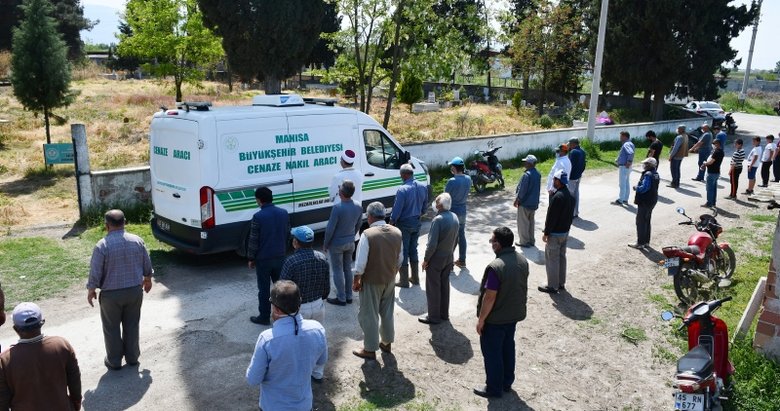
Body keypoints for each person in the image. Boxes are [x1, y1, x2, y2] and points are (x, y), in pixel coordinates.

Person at [246, 281, 327, 411]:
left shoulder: (267, 339)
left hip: (273, 406)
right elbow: (321, 360)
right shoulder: (317, 329)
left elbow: (253, 379)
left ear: (275, 308)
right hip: (304, 405)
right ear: (299, 302)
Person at [87, 209, 153, 370]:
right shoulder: (137, 241)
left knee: (111, 328)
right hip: (134, 291)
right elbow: (147, 264)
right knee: (132, 324)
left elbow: (95, 271)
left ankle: (114, 361)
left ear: (106, 226)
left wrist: (91, 289)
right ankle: (132, 358)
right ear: (125, 222)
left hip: (111, 295)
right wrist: (148, 279)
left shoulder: (102, 245)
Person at [473, 227, 528, 398]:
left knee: (492, 353)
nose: (491, 244)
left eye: (492, 241)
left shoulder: (496, 267)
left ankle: (493, 388)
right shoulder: (522, 260)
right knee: (507, 348)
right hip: (513, 315)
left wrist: (481, 320)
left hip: (496, 319)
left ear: (498, 244)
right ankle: (506, 382)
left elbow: (489, 297)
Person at [0, 303, 82, 410]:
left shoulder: (5, 360)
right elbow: (74, 380)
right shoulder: (62, 345)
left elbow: (2, 399)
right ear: (41, 323)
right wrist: (76, 402)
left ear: (15, 329)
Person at [352, 202, 403, 360]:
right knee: (387, 313)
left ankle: (369, 349)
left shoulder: (367, 234)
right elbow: (400, 259)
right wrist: (392, 272)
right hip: (390, 279)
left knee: (369, 315)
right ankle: (386, 343)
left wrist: (356, 280)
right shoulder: (397, 232)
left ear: (370, 216)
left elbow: (360, 264)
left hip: (372, 281)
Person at [247, 186, 290, 325]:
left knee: (264, 289)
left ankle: (264, 316)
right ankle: (284, 314)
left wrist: (251, 258)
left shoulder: (258, 216)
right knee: (281, 288)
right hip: (281, 256)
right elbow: (288, 234)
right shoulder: (284, 213)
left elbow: (253, 240)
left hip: (264, 260)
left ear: (259, 200)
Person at [419, 193, 459, 325]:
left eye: (436, 202)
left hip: (436, 259)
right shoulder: (454, 217)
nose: (434, 205)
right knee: (444, 286)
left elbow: (431, 244)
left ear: (440, 205)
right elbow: (456, 240)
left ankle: (434, 317)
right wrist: (451, 254)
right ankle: (444, 314)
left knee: (433, 288)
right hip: (448, 257)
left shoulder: (438, 220)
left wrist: (426, 260)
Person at [323, 180, 363, 306]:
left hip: (337, 244)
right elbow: (359, 224)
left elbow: (330, 229)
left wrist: (325, 243)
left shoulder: (337, 208)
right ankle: (349, 296)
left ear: (341, 192)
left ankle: (341, 298)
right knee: (347, 268)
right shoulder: (358, 206)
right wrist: (352, 235)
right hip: (350, 242)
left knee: (337, 270)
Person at [280, 226, 330, 323]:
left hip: (299, 309)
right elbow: (326, 286)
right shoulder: (322, 258)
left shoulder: (291, 261)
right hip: (318, 305)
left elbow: (283, 289)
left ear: (295, 243)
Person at [390, 163, 428, 288]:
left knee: (404, 251)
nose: (401, 177)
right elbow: (424, 207)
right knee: (413, 249)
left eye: (401, 174)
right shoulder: (423, 186)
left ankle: (404, 280)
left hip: (404, 223)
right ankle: (415, 278)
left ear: (404, 175)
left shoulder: (402, 189)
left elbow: (397, 210)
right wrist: (419, 214)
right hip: (416, 222)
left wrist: (392, 221)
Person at [540, 170, 575, 294]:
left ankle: (552, 286)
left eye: (554, 179)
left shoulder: (557, 197)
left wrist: (546, 233)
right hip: (565, 233)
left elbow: (551, 217)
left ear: (558, 181)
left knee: (552, 259)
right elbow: (571, 216)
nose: (553, 181)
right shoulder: (570, 195)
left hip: (555, 234)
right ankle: (560, 283)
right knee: (561, 258)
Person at [444, 156, 471, 268]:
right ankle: (462, 260)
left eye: (452, 167)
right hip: (463, 211)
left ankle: (449, 263)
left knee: (451, 238)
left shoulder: (452, 181)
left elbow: (445, 197)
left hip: (452, 212)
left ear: (454, 168)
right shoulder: (468, 179)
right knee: (461, 235)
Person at [628, 158, 660, 249]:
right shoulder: (655, 174)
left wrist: (636, 187)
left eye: (646, 164)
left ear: (649, 165)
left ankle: (640, 242)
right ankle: (646, 242)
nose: (644, 165)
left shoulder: (648, 174)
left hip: (645, 201)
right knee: (647, 221)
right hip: (652, 200)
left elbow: (644, 188)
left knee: (640, 221)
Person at [513, 154, 541, 248]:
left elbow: (522, 190)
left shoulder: (527, 175)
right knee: (531, 223)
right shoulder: (538, 174)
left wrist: (517, 200)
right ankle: (531, 240)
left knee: (523, 223)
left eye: (526, 162)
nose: (524, 163)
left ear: (529, 163)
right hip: (534, 203)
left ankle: (524, 241)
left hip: (525, 203)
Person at [612, 131, 634, 205]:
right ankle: (625, 199)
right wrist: (618, 160)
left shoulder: (626, 144)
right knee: (626, 183)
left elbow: (630, 153)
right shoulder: (630, 143)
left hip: (624, 166)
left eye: (621, 136)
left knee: (622, 184)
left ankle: (620, 199)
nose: (620, 138)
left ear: (625, 136)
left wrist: (628, 162)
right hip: (627, 166)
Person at [701, 138, 724, 208]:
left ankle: (709, 203)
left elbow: (711, 162)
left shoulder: (716, 152)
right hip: (717, 172)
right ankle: (713, 202)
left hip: (711, 172)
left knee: (709, 189)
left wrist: (705, 163)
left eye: (713, 144)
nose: (712, 145)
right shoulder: (721, 151)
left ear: (717, 144)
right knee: (714, 189)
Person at [567, 137, 586, 218]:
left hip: (572, 177)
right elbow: (584, 164)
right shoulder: (582, 151)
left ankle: (571, 213)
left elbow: (570, 165)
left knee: (571, 195)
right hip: (578, 175)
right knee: (576, 193)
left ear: (573, 144)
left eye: (570, 144)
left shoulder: (573, 152)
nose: (569, 145)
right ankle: (576, 211)